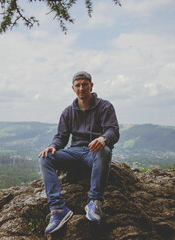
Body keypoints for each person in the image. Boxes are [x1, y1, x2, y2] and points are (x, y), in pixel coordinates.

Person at [38, 71, 120, 234]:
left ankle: (94, 201)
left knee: (104, 150)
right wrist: (53, 146)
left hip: (95, 153)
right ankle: (58, 208)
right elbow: (61, 137)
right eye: (78, 85)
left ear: (91, 85)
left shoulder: (105, 106)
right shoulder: (68, 112)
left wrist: (103, 139)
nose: (81, 88)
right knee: (45, 158)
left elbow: (113, 131)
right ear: (73, 88)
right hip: (75, 152)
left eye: (84, 84)